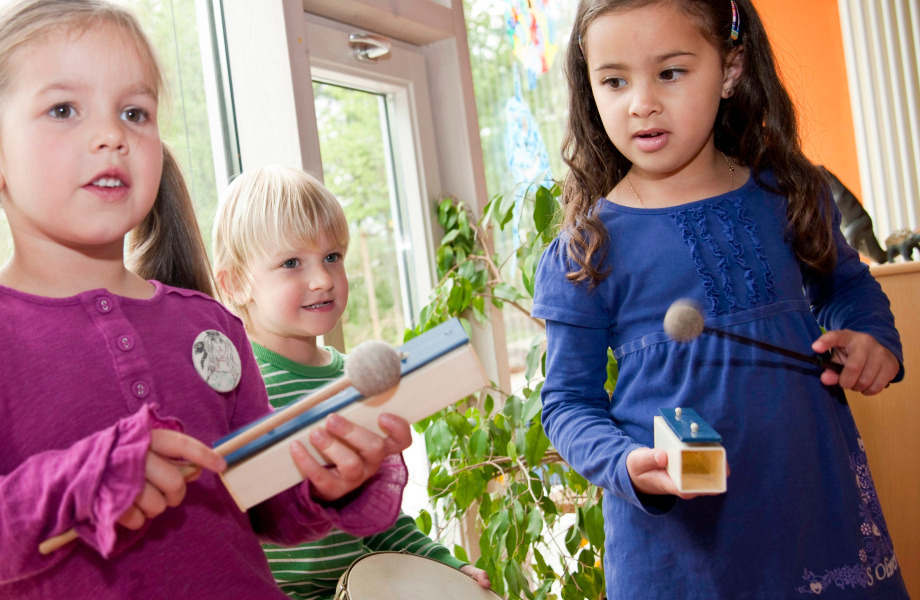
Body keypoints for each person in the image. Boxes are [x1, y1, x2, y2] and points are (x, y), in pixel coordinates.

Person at [0, 2, 413, 598]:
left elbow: (263, 505)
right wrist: (76, 484)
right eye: (63, 109)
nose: (111, 136)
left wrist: (330, 479)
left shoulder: (210, 323)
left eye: (134, 112)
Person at [534, 0, 908, 598]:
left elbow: (846, 285)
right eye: (614, 80)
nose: (641, 102)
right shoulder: (584, 250)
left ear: (730, 70)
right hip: (680, 558)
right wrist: (625, 464)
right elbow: (568, 404)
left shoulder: (790, 194)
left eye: (671, 72)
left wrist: (872, 340)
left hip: (815, 516)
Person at [212, 165, 492, 599]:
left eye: (332, 257)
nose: (323, 279)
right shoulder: (234, 390)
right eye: (291, 263)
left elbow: (381, 522)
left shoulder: (354, 381)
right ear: (234, 284)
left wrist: (443, 565)